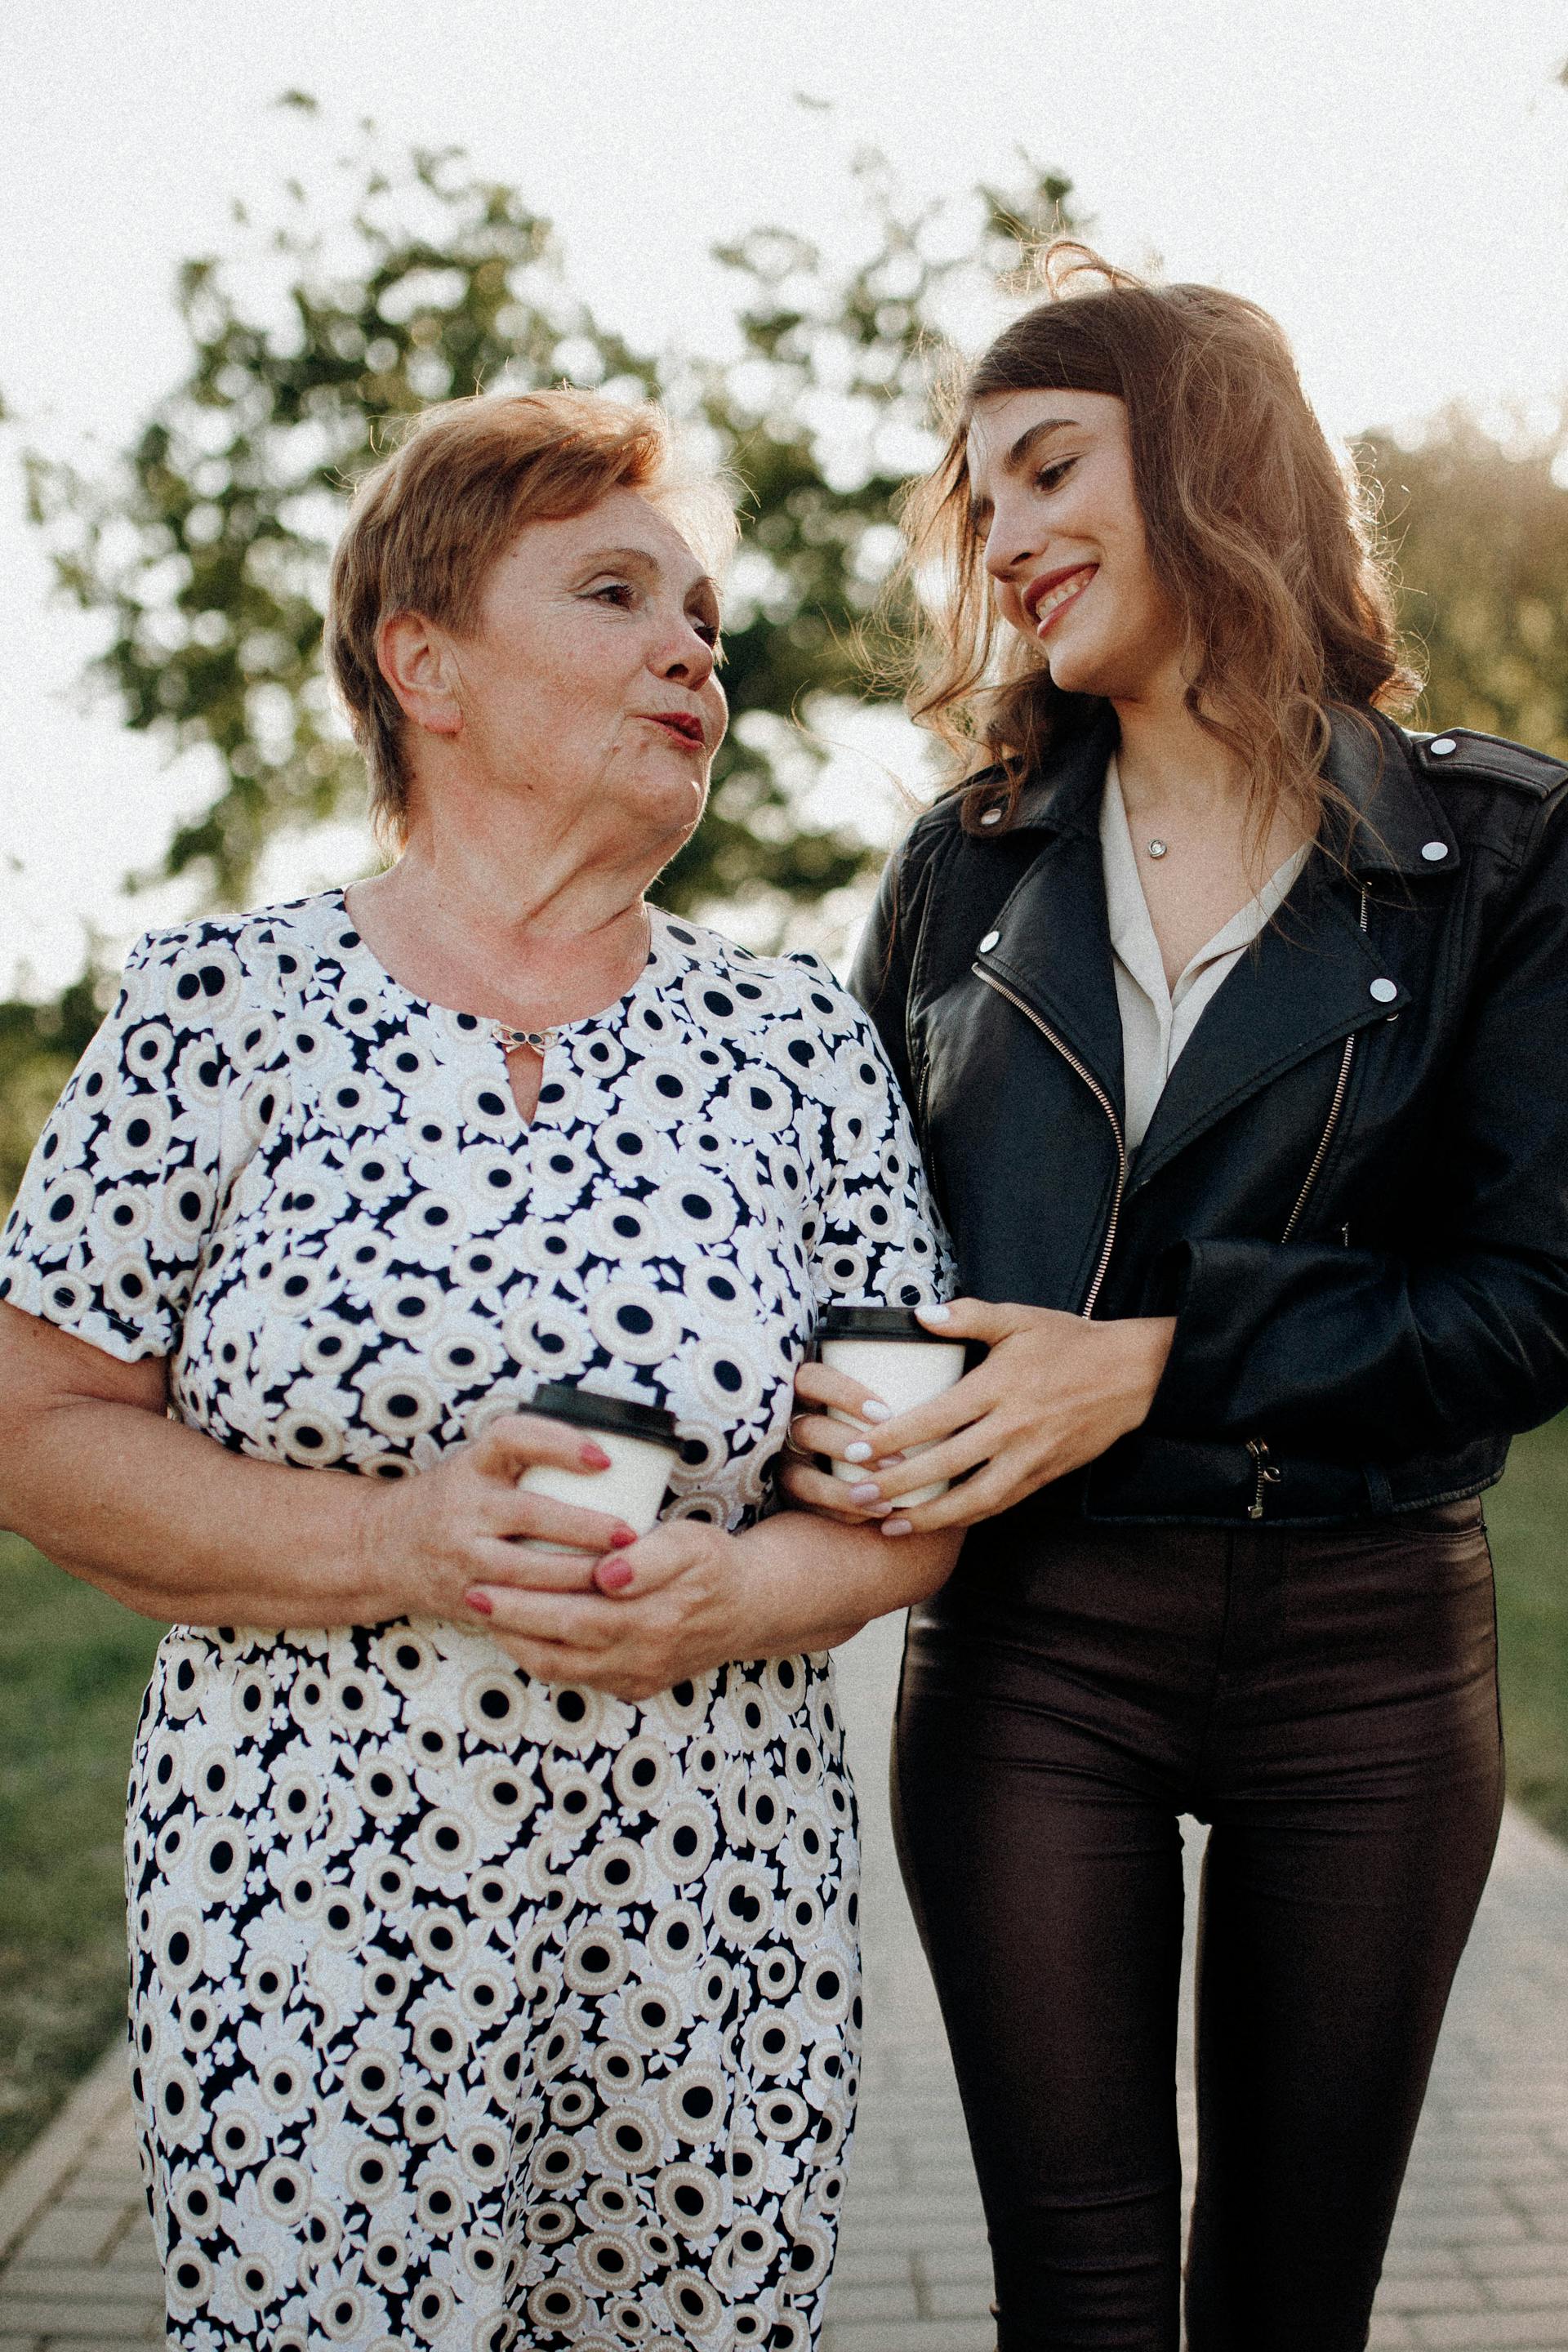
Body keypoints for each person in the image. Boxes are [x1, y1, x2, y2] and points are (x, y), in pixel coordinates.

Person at [0, 388, 960, 2352]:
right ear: (420, 660)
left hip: (714, 1933)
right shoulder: (217, 1007)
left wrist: (733, 1592)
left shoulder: (798, 1044)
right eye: (618, 592)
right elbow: (33, 1432)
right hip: (307, 1918)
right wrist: (409, 1542)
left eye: (704, 612)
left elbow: (902, 1498)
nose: (694, 646)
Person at [782, 246, 1568, 2350]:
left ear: (1215, 462)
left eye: (1049, 470)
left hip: (1371, 1659)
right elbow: (861, 1257)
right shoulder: (963, 865)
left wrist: (1155, 1362)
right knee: (1090, 2307)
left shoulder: (1501, 854)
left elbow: (1530, 1307)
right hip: (1034, 1655)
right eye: (983, 503)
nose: (1010, 541)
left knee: (1290, 2311)